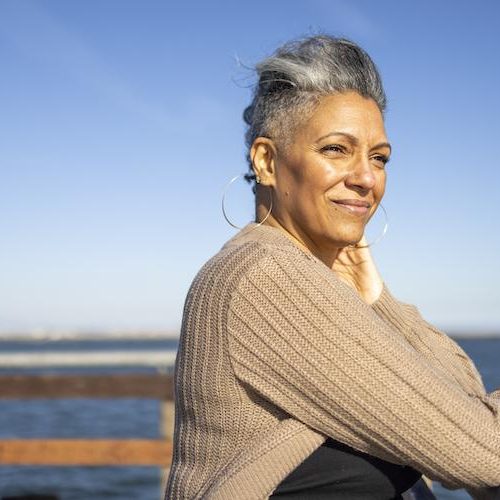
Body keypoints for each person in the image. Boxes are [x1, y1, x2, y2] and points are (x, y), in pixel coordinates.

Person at [164, 35, 500, 499]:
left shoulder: (297, 274)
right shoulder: (265, 278)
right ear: (266, 160)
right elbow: (485, 454)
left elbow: (470, 406)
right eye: (336, 150)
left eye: (378, 158)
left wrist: (380, 301)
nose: (366, 178)